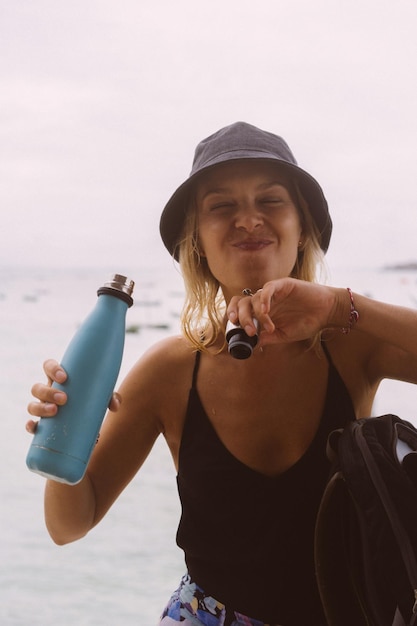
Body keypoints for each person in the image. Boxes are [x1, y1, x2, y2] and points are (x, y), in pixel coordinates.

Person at [26, 122, 417, 626]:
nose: (248, 219)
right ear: (198, 245)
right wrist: (67, 431)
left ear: (303, 232)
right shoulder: (169, 371)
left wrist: (344, 307)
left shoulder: (351, 341)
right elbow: (68, 525)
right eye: (221, 206)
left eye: (271, 200)